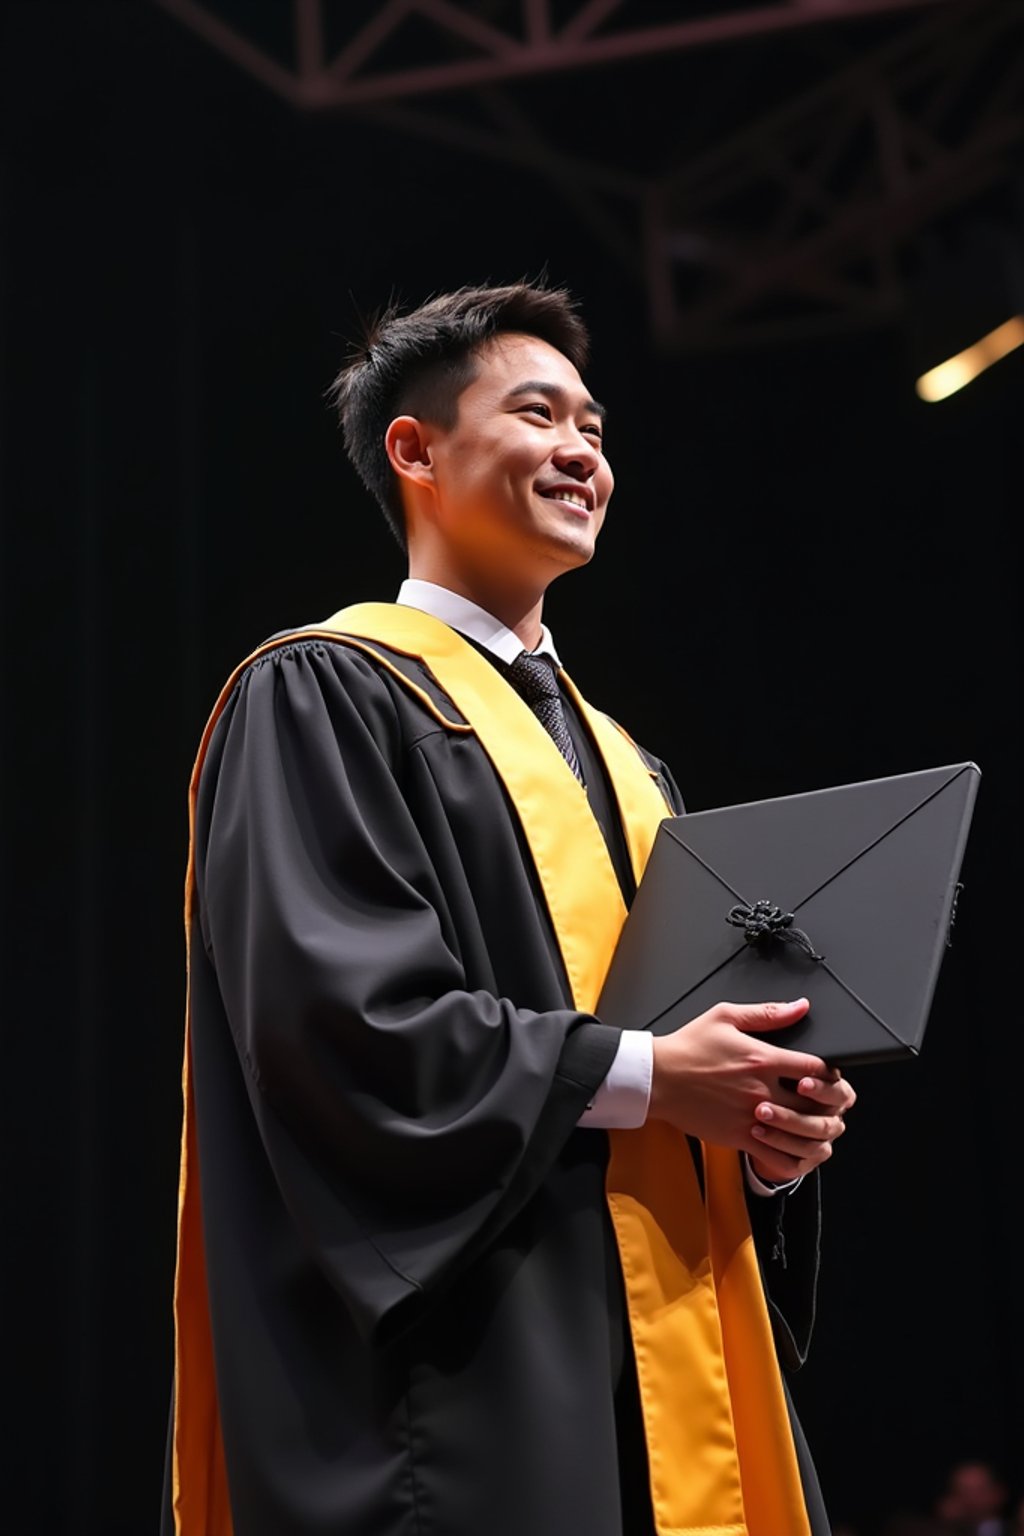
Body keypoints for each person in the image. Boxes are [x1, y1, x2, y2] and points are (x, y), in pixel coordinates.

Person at [161, 280, 856, 1536]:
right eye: (539, 415)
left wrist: (759, 1132)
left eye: (595, 427)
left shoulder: (632, 767)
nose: (581, 451)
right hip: (476, 1374)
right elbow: (344, 1029)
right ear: (415, 451)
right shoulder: (325, 694)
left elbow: (683, 1055)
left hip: (665, 1368)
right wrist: (651, 1075)